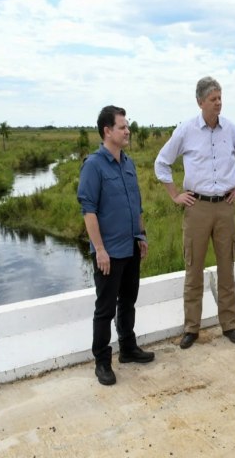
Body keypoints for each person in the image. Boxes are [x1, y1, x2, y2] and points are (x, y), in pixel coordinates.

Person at [154, 76, 235, 349]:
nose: (218, 103)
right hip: (196, 208)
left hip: (225, 207)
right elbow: (162, 163)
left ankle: (229, 324)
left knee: (227, 269)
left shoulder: (230, 129)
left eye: (220, 98)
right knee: (193, 269)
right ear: (200, 102)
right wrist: (174, 194)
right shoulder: (186, 130)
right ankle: (191, 328)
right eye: (213, 99)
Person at [77, 105, 155, 386]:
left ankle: (128, 348)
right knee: (105, 308)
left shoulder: (128, 163)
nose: (128, 131)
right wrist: (99, 249)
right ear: (107, 131)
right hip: (108, 252)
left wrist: (141, 235)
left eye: (127, 126)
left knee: (129, 301)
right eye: (122, 127)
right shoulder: (94, 165)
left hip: (130, 246)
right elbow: (89, 210)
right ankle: (102, 361)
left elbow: (136, 203)